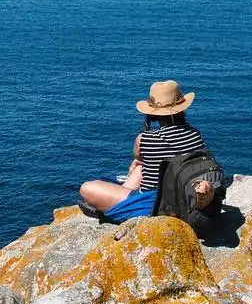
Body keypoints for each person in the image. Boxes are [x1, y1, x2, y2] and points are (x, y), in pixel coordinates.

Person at [79, 79, 214, 222]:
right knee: (140, 167)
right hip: (184, 194)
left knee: (86, 188)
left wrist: (137, 162)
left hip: (155, 204)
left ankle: (120, 203)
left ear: (152, 112)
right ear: (182, 108)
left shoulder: (144, 138)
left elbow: (138, 155)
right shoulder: (195, 133)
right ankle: (123, 192)